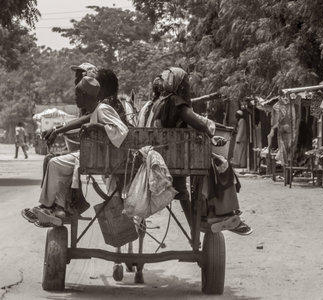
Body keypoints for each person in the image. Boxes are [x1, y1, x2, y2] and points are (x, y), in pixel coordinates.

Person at [143, 67, 252, 235]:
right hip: (179, 158)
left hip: (164, 157)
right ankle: (221, 214)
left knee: (188, 186)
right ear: (179, 85)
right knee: (220, 165)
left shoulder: (159, 103)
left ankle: (201, 223)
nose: (188, 88)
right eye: (186, 83)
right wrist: (210, 134)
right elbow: (198, 123)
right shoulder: (175, 101)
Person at [22, 76, 129, 226]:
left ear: (85, 95)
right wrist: (56, 130)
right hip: (91, 155)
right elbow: (80, 122)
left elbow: (121, 131)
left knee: (55, 163)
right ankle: (58, 206)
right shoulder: (96, 110)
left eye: (77, 94)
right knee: (52, 160)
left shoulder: (103, 109)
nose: (75, 98)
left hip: (99, 157)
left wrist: (95, 127)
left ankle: (48, 206)